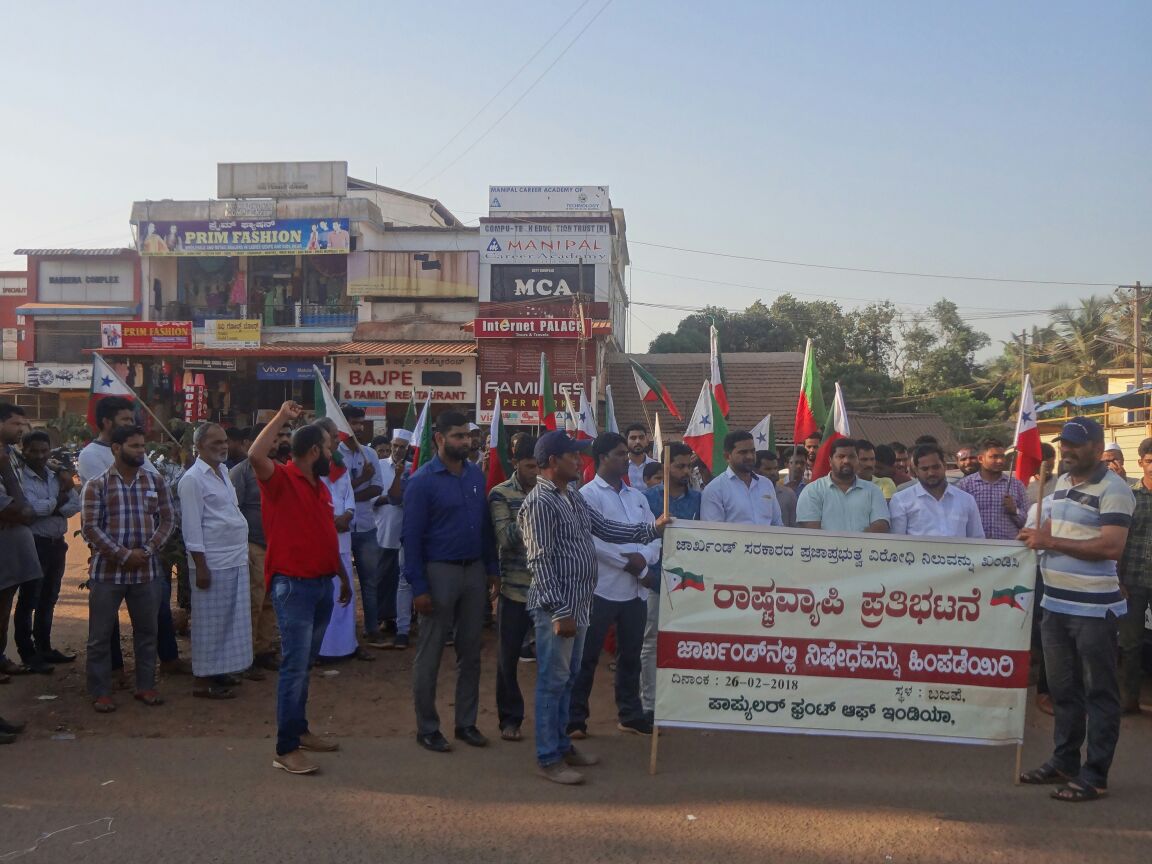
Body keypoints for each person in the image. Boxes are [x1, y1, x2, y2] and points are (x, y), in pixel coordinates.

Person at [519, 431, 669, 785]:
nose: (579, 461)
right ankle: (548, 758)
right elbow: (540, 561)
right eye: (573, 456)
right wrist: (559, 611)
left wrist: (651, 530)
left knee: (567, 678)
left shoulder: (570, 496)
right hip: (561, 606)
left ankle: (562, 745)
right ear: (553, 462)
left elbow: (605, 528)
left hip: (580, 601)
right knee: (552, 682)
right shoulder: (540, 502)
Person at [1019, 417, 1135, 803]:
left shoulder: (1114, 489)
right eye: (1063, 443)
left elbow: (1110, 547)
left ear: (1097, 446)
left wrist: (1048, 540)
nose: (1066, 450)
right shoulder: (1061, 485)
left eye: (1075, 445)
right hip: (1055, 604)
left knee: (1099, 692)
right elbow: (1054, 531)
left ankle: (1095, 774)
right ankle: (1065, 760)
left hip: (1093, 610)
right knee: (1064, 691)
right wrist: (1035, 539)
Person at [250, 403, 350, 775]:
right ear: (312, 452)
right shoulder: (281, 480)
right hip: (294, 587)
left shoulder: (319, 486)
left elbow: (324, 533)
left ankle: (300, 730)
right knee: (294, 666)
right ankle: (285, 747)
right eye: (327, 448)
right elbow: (254, 454)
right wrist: (281, 417)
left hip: (322, 584)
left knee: (305, 663)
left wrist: (340, 574)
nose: (332, 453)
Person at [402, 411, 499, 753]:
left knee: (471, 652)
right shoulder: (422, 481)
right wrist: (419, 587)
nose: (466, 442)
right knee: (429, 654)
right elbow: (410, 539)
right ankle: (427, 728)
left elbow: (485, 527)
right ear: (440, 439)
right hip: (437, 573)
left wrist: (492, 570)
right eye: (458, 436)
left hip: (473, 571)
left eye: (468, 436)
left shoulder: (474, 474)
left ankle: (466, 723)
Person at [569, 432, 662, 740]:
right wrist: (628, 562)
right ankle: (575, 719)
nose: (627, 458)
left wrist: (644, 561)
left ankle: (630, 714)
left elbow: (653, 536)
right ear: (602, 458)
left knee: (631, 654)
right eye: (620, 453)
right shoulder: (587, 495)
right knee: (588, 656)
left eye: (626, 453)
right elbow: (592, 542)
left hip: (636, 590)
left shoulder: (636, 496)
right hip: (602, 589)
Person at [81, 425, 176, 713]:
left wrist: (146, 551)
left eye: (142, 447)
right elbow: (90, 528)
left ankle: (145, 686)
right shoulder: (96, 485)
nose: (140, 452)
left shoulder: (154, 481)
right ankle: (100, 692)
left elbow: (168, 520)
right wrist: (123, 555)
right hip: (107, 573)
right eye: (134, 446)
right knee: (99, 636)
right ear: (116, 448)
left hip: (146, 571)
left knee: (147, 632)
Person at [178, 423, 252, 700]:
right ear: (199, 447)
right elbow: (192, 528)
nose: (222, 446)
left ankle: (220, 670)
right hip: (212, 563)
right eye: (215, 443)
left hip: (234, 557)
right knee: (210, 623)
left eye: (224, 441)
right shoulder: (192, 479)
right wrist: (201, 567)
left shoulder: (222, 471)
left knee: (230, 620)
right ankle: (202, 681)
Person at [641, 442, 701, 720]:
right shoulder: (648, 498)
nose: (685, 471)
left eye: (688, 465)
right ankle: (650, 703)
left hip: (689, 582)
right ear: (664, 466)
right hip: (655, 579)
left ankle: (682, 699)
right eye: (679, 465)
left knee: (687, 641)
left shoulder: (698, 500)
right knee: (652, 642)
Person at [230, 422, 290, 675]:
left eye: (275, 440)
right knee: (253, 602)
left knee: (271, 602)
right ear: (250, 444)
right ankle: (246, 657)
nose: (274, 444)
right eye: (269, 440)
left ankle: (264, 650)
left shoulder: (282, 470)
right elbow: (235, 510)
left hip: (277, 546)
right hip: (253, 545)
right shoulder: (241, 472)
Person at [17, 430, 80, 669]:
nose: (41, 456)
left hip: (57, 544)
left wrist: (51, 507)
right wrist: (58, 503)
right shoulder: (21, 477)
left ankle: (45, 647)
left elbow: (75, 504)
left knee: (49, 597)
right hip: (34, 544)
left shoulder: (57, 476)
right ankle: (28, 653)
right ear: (25, 451)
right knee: (29, 599)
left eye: (45, 451)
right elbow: (30, 509)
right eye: (35, 451)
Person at [489, 434, 538, 742]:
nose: (535, 472)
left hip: (547, 592)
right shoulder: (500, 494)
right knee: (508, 659)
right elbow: (506, 537)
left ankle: (554, 720)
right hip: (514, 590)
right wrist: (535, 506)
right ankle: (510, 718)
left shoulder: (557, 491)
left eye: (539, 466)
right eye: (529, 466)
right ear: (517, 463)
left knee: (552, 661)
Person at [313, 417, 363, 662]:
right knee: (327, 597)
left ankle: (346, 646)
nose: (337, 440)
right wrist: (331, 521)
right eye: (333, 436)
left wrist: (348, 514)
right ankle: (324, 649)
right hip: (322, 542)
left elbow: (349, 496)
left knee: (345, 594)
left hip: (343, 538)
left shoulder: (339, 467)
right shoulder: (311, 468)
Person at [0, 405, 42, 680]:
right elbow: (18, 512)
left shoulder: (10, 454)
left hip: (14, 546)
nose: (21, 430)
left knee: (5, 608)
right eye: (15, 424)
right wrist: (26, 511)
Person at [338, 405, 386, 645]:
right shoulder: (334, 455)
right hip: (342, 530)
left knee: (370, 581)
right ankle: (342, 634)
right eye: (353, 423)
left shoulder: (370, 454)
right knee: (341, 582)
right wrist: (362, 480)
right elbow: (336, 491)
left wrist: (350, 495)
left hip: (366, 526)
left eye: (360, 423)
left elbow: (378, 488)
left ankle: (371, 628)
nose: (358, 428)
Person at [1118, 437, 1152, 714]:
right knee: (1131, 642)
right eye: (1150, 461)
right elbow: (1119, 540)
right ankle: (1129, 699)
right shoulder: (1128, 496)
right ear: (1140, 462)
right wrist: (1117, 579)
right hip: (1133, 580)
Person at [889, 444, 984, 538]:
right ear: (916, 471)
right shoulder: (901, 500)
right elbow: (897, 543)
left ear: (945, 466)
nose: (931, 473)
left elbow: (977, 540)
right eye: (925, 469)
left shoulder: (966, 500)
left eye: (936, 467)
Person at [796, 439, 890, 533]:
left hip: (862, 547)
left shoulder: (873, 491)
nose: (846, 461)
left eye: (852, 457)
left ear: (858, 460)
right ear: (830, 461)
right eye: (841, 456)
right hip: (825, 547)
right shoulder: (812, 491)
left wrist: (854, 545)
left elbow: (881, 526)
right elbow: (810, 533)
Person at [373, 430, 412, 649]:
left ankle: (401, 621)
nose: (398, 450)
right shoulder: (379, 467)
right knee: (384, 578)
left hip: (406, 533)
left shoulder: (413, 469)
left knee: (404, 580)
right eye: (395, 446)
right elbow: (372, 499)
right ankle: (383, 618)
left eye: (403, 447)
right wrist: (392, 498)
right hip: (384, 530)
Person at [701, 431, 783, 526]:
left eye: (752, 451)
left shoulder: (766, 484)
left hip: (767, 541)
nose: (750, 456)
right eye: (743, 452)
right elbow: (713, 532)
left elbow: (777, 524)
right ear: (727, 456)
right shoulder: (714, 489)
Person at [956, 438, 1028, 541]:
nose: (1000, 461)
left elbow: (1028, 523)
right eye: (994, 457)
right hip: (976, 550)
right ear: (981, 459)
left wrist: (1014, 511)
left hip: (1008, 551)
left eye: (1002, 456)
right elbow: (957, 521)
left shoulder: (1016, 485)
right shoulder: (965, 486)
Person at [756, 450, 796, 527]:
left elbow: (794, 526)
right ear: (756, 471)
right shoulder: (748, 494)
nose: (773, 472)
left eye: (775, 468)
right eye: (768, 469)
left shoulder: (789, 495)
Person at [624, 423, 657, 488]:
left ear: (647, 441)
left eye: (641, 438)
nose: (638, 441)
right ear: (626, 442)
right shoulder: (620, 467)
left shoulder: (656, 466)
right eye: (633, 438)